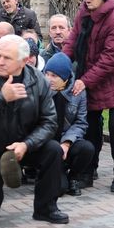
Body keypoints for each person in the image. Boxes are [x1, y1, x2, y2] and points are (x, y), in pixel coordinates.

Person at [0, 35, 66, 223]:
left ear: (24, 61)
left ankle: (45, 209)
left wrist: (27, 144)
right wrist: (0, 98)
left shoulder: (38, 80)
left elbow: (49, 121)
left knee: (53, 150)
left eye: (7, 58)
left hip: (22, 145)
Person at [63, 0, 114, 192]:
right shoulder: (83, 14)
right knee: (90, 125)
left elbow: (109, 59)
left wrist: (84, 80)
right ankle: (88, 171)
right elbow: (72, 40)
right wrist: (62, 66)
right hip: (91, 73)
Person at [44, 53, 95, 197]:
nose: (49, 79)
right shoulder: (41, 90)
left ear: (66, 78)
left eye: (54, 76)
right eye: (47, 74)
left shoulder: (78, 93)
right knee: (59, 189)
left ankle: (73, 177)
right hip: (48, 144)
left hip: (66, 140)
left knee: (87, 148)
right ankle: (49, 173)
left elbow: (81, 122)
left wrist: (66, 143)